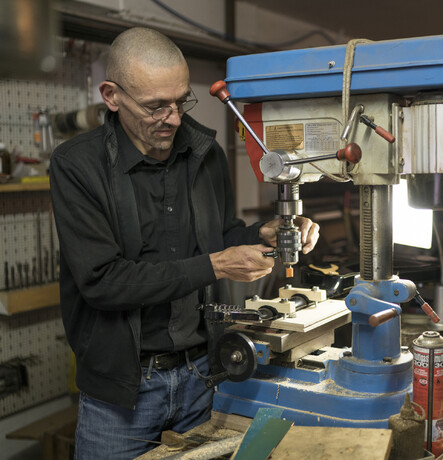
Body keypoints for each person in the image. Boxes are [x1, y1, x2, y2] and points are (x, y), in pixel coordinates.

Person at [49, 27, 319, 459]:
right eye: (156, 106)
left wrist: (260, 235)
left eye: (180, 101)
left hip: (201, 377)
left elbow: (219, 238)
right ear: (112, 95)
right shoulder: (78, 166)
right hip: (123, 395)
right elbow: (103, 282)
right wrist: (216, 264)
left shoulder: (204, 152)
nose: (173, 119)